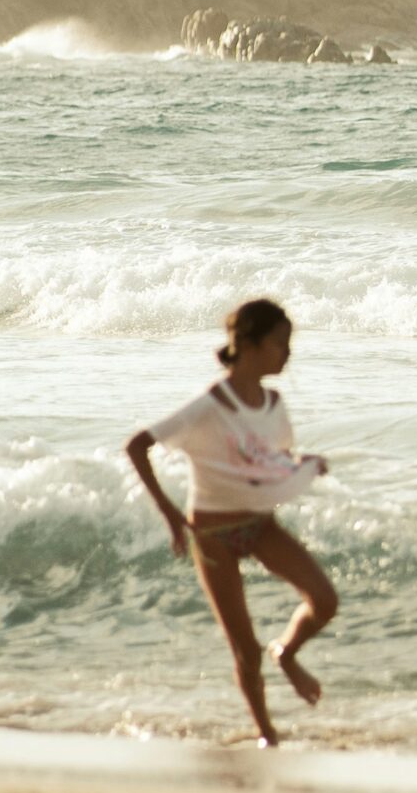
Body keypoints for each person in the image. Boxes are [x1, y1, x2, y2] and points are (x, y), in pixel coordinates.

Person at [126, 299, 338, 746]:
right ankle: (267, 736)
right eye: (280, 343)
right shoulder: (209, 406)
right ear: (252, 345)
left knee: (324, 600)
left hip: (260, 525)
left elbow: (271, 461)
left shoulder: (274, 404)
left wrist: (303, 466)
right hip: (213, 536)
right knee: (245, 651)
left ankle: (287, 653)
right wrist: (170, 513)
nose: (288, 353)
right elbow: (137, 446)